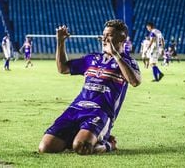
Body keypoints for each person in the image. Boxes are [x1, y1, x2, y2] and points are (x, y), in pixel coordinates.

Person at [38, 20, 141, 155]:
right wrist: (60, 42)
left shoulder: (128, 62)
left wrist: (115, 54)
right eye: (103, 35)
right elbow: (63, 68)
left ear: (122, 38)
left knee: (82, 147)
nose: (104, 38)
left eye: (109, 35)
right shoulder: (92, 58)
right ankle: (78, 136)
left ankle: (109, 144)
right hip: (76, 109)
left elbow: (135, 81)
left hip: (99, 113)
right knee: (45, 147)